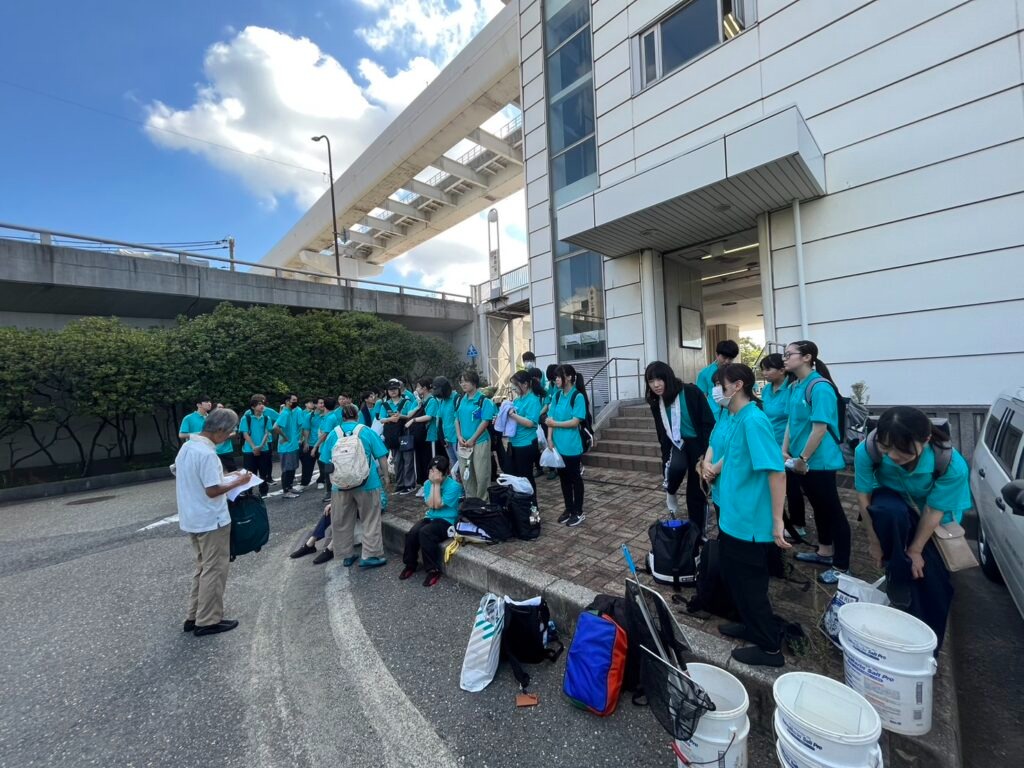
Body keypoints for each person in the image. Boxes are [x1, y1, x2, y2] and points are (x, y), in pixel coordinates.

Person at [855, 407, 971, 650]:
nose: (893, 456)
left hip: (934, 517)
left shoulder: (951, 464)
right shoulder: (867, 450)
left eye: (902, 450)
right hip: (894, 504)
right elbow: (864, 498)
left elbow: (933, 511)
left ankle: (926, 651)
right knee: (887, 513)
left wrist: (916, 550)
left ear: (925, 440)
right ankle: (897, 576)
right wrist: (874, 542)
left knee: (932, 582)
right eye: (886, 448)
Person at [708, 364, 790, 667]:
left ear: (737, 385)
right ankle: (749, 625)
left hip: (750, 522)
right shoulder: (735, 416)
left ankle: (769, 647)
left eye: (720, 384)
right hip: (733, 516)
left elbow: (776, 472)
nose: (716, 391)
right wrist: (711, 468)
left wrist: (777, 520)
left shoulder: (754, 420)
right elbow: (730, 455)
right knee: (735, 578)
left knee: (751, 585)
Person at [174, 407, 251, 636]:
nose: (229, 436)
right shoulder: (207, 454)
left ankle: (194, 615)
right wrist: (239, 482)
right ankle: (207, 620)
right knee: (215, 569)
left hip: (192, 517)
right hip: (211, 519)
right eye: (228, 432)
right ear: (219, 430)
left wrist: (229, 476)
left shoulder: (188, 447)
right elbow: (212, 489)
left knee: (203, 567)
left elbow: (199, 479)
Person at [782, 340, 851, 585]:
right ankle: (824, 551)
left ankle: (842, 565)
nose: (785, 358)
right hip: (800, 459)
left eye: (789, 354)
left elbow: (820, 429)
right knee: (819, 507)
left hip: (818, 461)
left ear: (807, 357)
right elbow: (791, 421)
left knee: (832, 510)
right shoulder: (795, 386)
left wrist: (803, 458)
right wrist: (785, 449)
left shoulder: (820, 387)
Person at [645, 361, 716, 526]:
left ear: (668, 378)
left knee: (696, 489)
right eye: (651, 381)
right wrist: (665, 459)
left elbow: (708, 422)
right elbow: (662, 434)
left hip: (698, 443)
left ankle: (697, 529)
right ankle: (670, 491)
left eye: (659, 379)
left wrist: (707, 453)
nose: (656, 385)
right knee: (674, 469)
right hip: (676, 443)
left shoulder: (691, 392)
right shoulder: (656, 402)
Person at [320, 404, 391, 568]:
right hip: (368, 483)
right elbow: (381, 456)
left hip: (340, 486)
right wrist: (386, 477)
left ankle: (346, 555)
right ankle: (370, 555)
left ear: (342, 417)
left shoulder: (334, 434)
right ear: (357, 416)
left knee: (342, 521)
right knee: (370, 519)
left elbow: (325, 461)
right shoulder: (366, 431)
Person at [759, 354, 805, 539]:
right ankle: (777, 520)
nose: (764, 373)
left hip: (787, 446)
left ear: (782, 370)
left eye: (768, 369)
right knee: (772, 483)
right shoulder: (766, 390)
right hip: (769, 445)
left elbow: (793, 420)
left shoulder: (791, 389)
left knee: (791, 486)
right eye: (763, 369)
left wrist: (784, 448)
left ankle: (798, 525)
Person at [400, 455, 464, 586]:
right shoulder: (427, 484)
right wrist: (434, 484)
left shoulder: (454, 486)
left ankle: (433, 570)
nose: (433, 473)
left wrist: (436, 484)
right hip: (430, 517)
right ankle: (410, 564)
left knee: (426, 533)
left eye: (437, 471)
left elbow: (438, 505)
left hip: (447, 521)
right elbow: (431, 504)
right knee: (413, 533)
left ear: (445, 472)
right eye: (431, 470)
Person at [546, 364, 588, 527]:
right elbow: (550, 417)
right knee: (563, 478)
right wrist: (549, 438)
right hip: (558, 445)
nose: (556, 380)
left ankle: (578, 511)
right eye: (555, 377)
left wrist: (555, 424)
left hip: (571, 446)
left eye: (559, 377)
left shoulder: (577, 396)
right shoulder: (557, 395)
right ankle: (569, 508)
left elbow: (575, 421)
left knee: (574, 478)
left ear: (569, 377)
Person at [455, 370, 497, 500]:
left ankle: (483, 502)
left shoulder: (484, 400)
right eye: (461, 381)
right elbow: (456, 419)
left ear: (474, 382)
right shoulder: (460, 400)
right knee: (466, 474)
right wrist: (459, 436)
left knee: (481, 474)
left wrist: (473, 439)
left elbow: (485, 421)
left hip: (480, 442)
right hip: (463, 443)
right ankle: (471, 501)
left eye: (466, 381)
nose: (463, 384)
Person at [506, 369, 544, 505]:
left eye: (515, 385)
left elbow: (530, 423)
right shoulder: (517, 400)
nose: (513, 388)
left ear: (525, 384)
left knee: (526, 477)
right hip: (514, 443)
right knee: (516, 477)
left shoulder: (533, 400)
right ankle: (521, 506)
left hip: (526, 444)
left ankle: (532, 506)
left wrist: (512, 415)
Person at [377, 379, 416, 494]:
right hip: (392, 436)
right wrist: (390, 418)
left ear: (399, 390)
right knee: (397, 460)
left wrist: (400, 416)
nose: (393, 391)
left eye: (395, 389)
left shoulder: (406, 402)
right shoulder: (385, 404)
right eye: (390, 390)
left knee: (408, 459)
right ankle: (400, 484)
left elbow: (410, 415)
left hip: (405, 433)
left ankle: (409, 484)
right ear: (387, 391)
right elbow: (381, 419)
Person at [696, 340, 739, 421]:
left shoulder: (738, 372)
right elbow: (702, 397)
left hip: (734, 413)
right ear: (717, 354)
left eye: (730, 358)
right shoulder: (704, 373)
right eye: (724, 357)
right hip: (713, 414)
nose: (727, 361)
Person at [239, 395, 273, 494]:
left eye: (263, 404)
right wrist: (254, 447)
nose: (262, 406)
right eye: (259, 404)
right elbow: (245, 434)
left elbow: (267, 433)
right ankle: (248, 493)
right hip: (249, 450)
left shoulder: (266, 418)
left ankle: (264, 492)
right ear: (253, 407)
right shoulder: (246, 418)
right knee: (249, 473)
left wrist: (260, 446)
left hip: (264, 449)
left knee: (264, 472)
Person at [408, 377, 438, 489]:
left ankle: (431, 486)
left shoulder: (432, 401)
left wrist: (414, 420)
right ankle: (423, 484)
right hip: (419, 437)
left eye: (418, 387)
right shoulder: (419, 401)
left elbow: (429, 416)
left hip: (430, 436)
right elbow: (409, 414)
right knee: (420, 461)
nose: (416, 389)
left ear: (424, 388)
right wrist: (417, 407)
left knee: (429, 461)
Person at [274, 393, 302, 499]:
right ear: (287, 402)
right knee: (287, 470)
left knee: (292, 469)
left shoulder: (290, 412)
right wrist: (285, 437)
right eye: (293, 400)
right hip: (286, 447)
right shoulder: (285, 413)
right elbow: (275, 427)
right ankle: (286, 491)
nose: (295, 402)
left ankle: (290, 487)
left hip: (293, 445)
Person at [433, 376, 458, 475]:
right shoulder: (442, 401)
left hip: (457, 439)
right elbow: (439, 420)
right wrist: (442, 438)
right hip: (447, 439)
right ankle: (457, 483)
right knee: (453, 464)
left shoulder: (456, 398)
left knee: (461, 464)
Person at [297, 398, 318, 490]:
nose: (311, 404)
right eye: (309, 403)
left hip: (320, 443)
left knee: (323, 464)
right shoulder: (304, 414)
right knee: (306, 462)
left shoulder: (324, 415)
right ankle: (304, 481)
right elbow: (303, 428)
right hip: (307, 441)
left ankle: (321, 480)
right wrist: (303, 440)